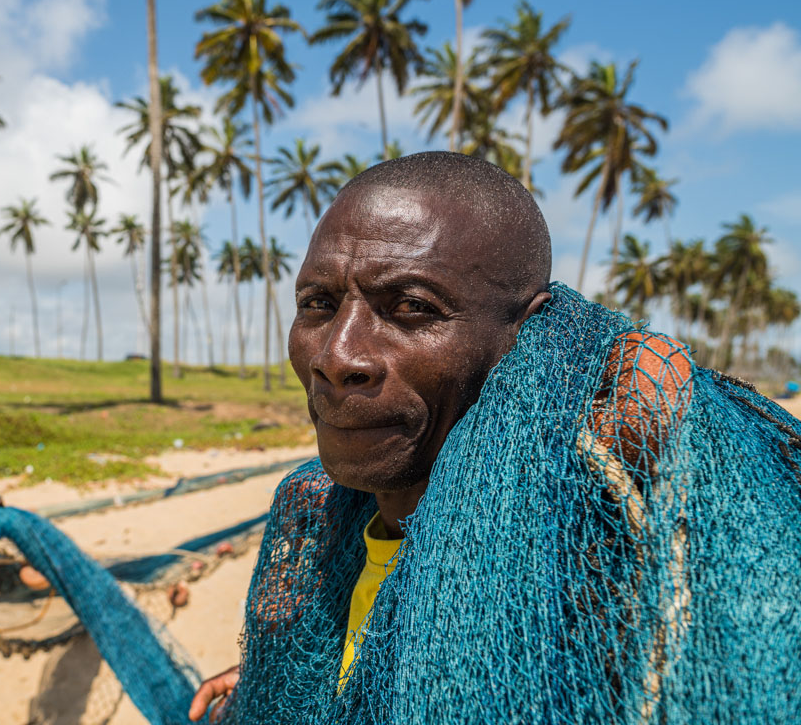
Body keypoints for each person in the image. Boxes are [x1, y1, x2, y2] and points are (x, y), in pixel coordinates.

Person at [184, 152, 798, 723]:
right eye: (317, 303)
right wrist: (271, 678)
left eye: (411, 308)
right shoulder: (314, 517)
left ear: (526, 339)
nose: (338, 356)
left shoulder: (580, 569)